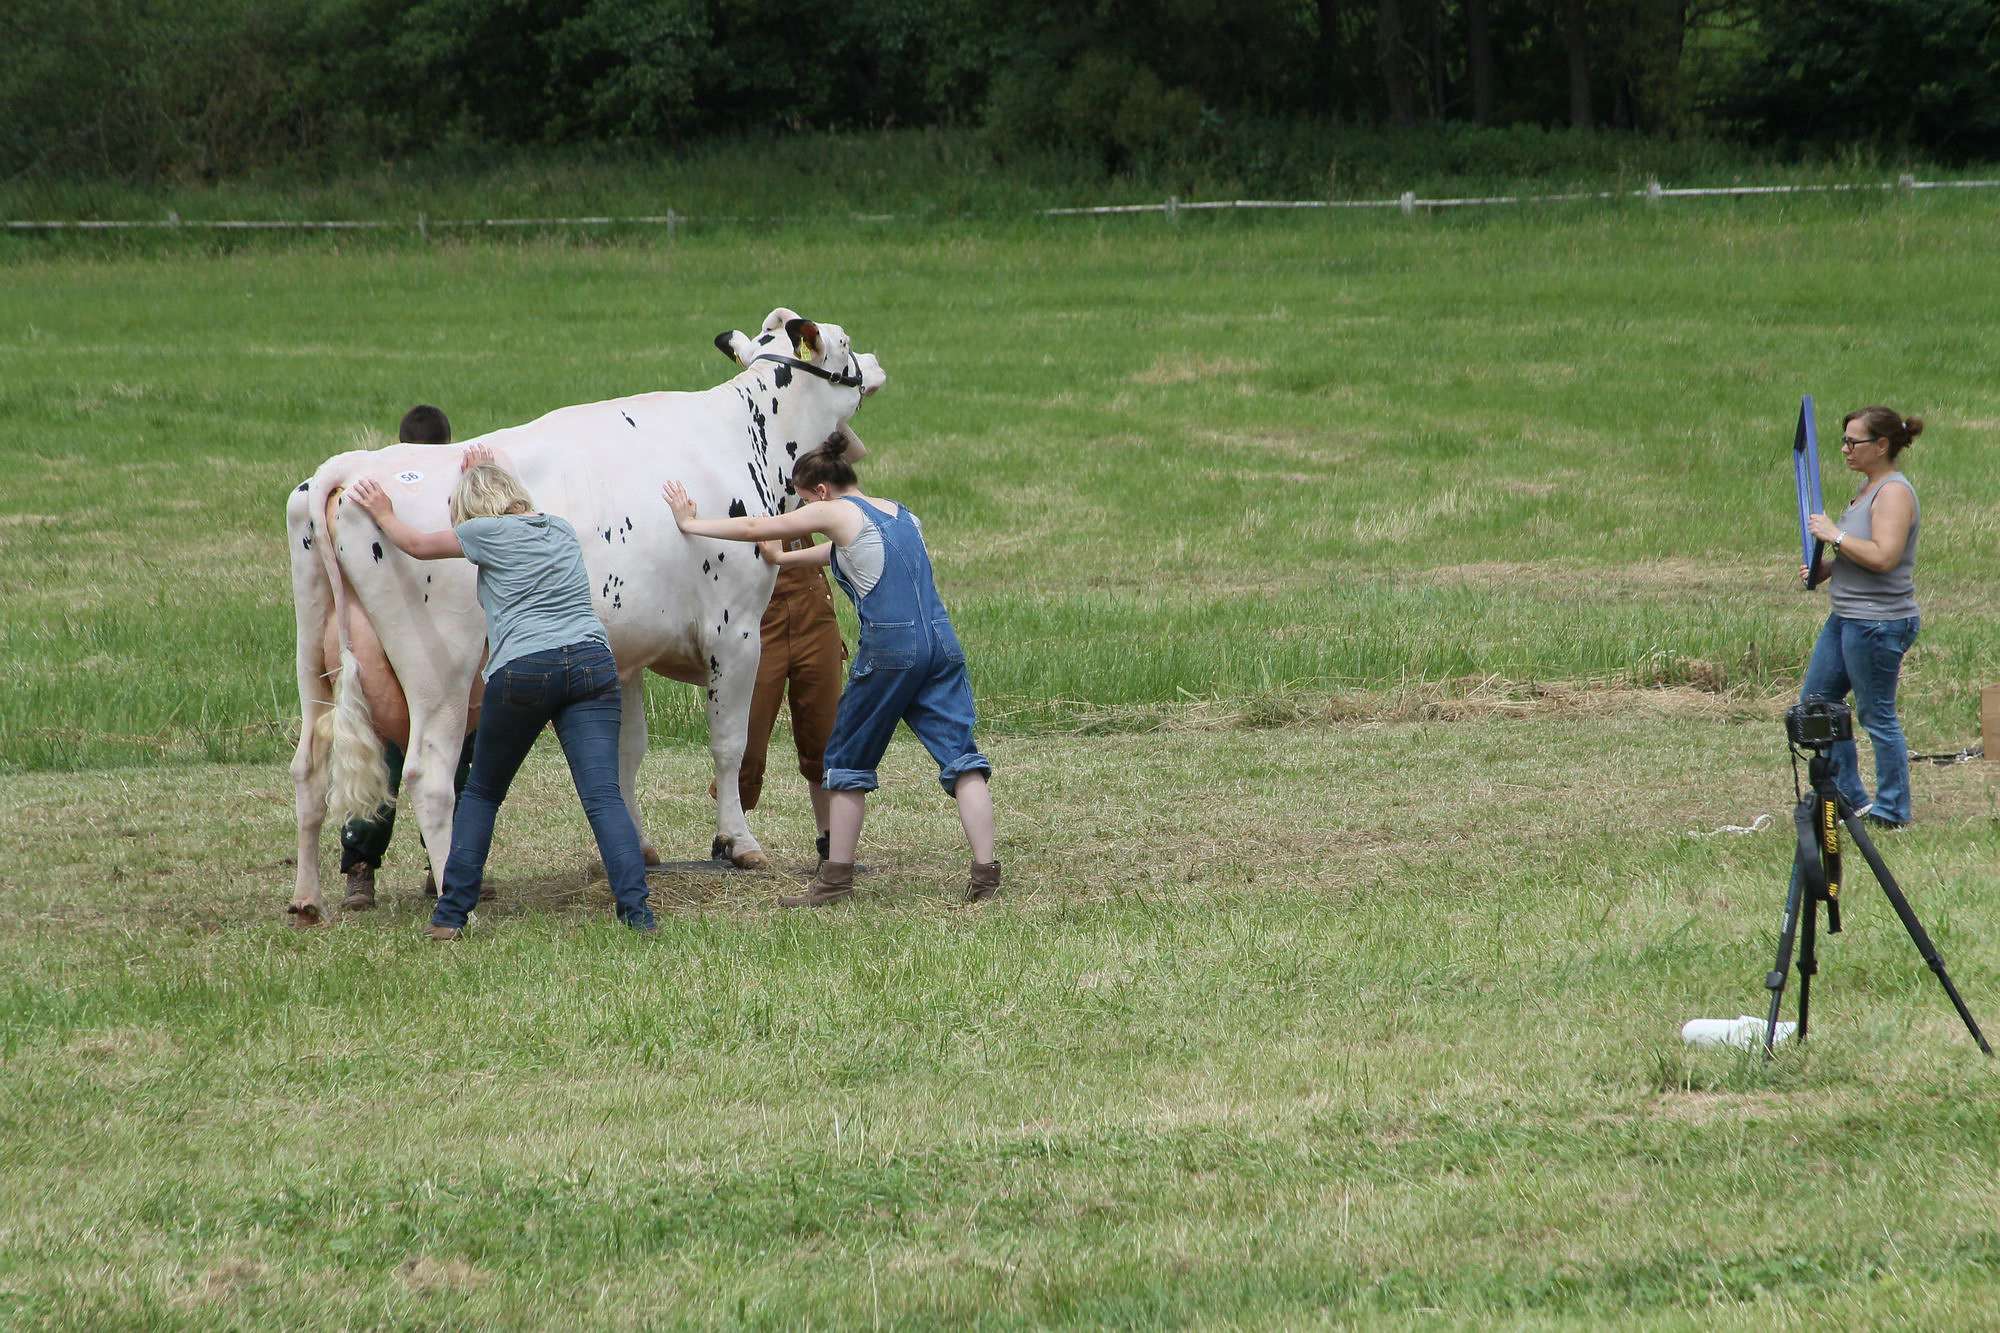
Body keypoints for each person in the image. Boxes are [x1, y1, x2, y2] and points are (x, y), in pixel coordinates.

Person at [662, 434, 998, 906]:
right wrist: (780, 558)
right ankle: (985, 871)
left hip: (891, 648)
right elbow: (827, 555)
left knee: (843, 762)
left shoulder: (833, 511)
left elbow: (759, 525)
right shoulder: (901, 514)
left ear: (820, 491)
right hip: (941, 644)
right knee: (961, 760)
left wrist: (691, 522)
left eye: (803, 499)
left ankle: (835, 878)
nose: (802, 509)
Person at [351, 446, 657, 937]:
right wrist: (493, 474)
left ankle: (451, 916)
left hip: (524, 670)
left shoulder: (481, 533)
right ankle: (638, 915)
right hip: (592, 663)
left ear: (471, 509)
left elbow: (418, 544)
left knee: (482, 793)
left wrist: (383, 511)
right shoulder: (557, 528)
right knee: (603, 798)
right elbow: (517, 504)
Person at [339, 405, 478, 909]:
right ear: (447, 445)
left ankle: (360, 867)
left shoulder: (372, 485)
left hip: (379, 634)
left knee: (380, 744)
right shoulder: (448, 494)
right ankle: (442, 862)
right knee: (450, 743)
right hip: (434, 640)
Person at [724, 435, 871, 871]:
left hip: (812, 614)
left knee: (824, 732)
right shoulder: (735, 463)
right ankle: (731, 830)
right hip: (761, 616)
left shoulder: (799, 454)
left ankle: (830, 841)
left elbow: (852, 452)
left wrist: (838, 391)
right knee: (747, 734)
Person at [1800, 406, 1924, 829]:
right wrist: (1828, 568)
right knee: (1817, 704)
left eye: (1854, 442)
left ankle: (1892, 811)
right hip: (1847, 616)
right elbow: (1862, 552)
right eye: (1844, 441)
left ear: (1882, 445)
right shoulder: (1868, 487)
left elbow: (1886, 557)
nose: (1845, 449)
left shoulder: (1893, 493)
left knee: (1877, 716)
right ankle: (1850, 799)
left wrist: (1834, 535)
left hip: (1877, 623)